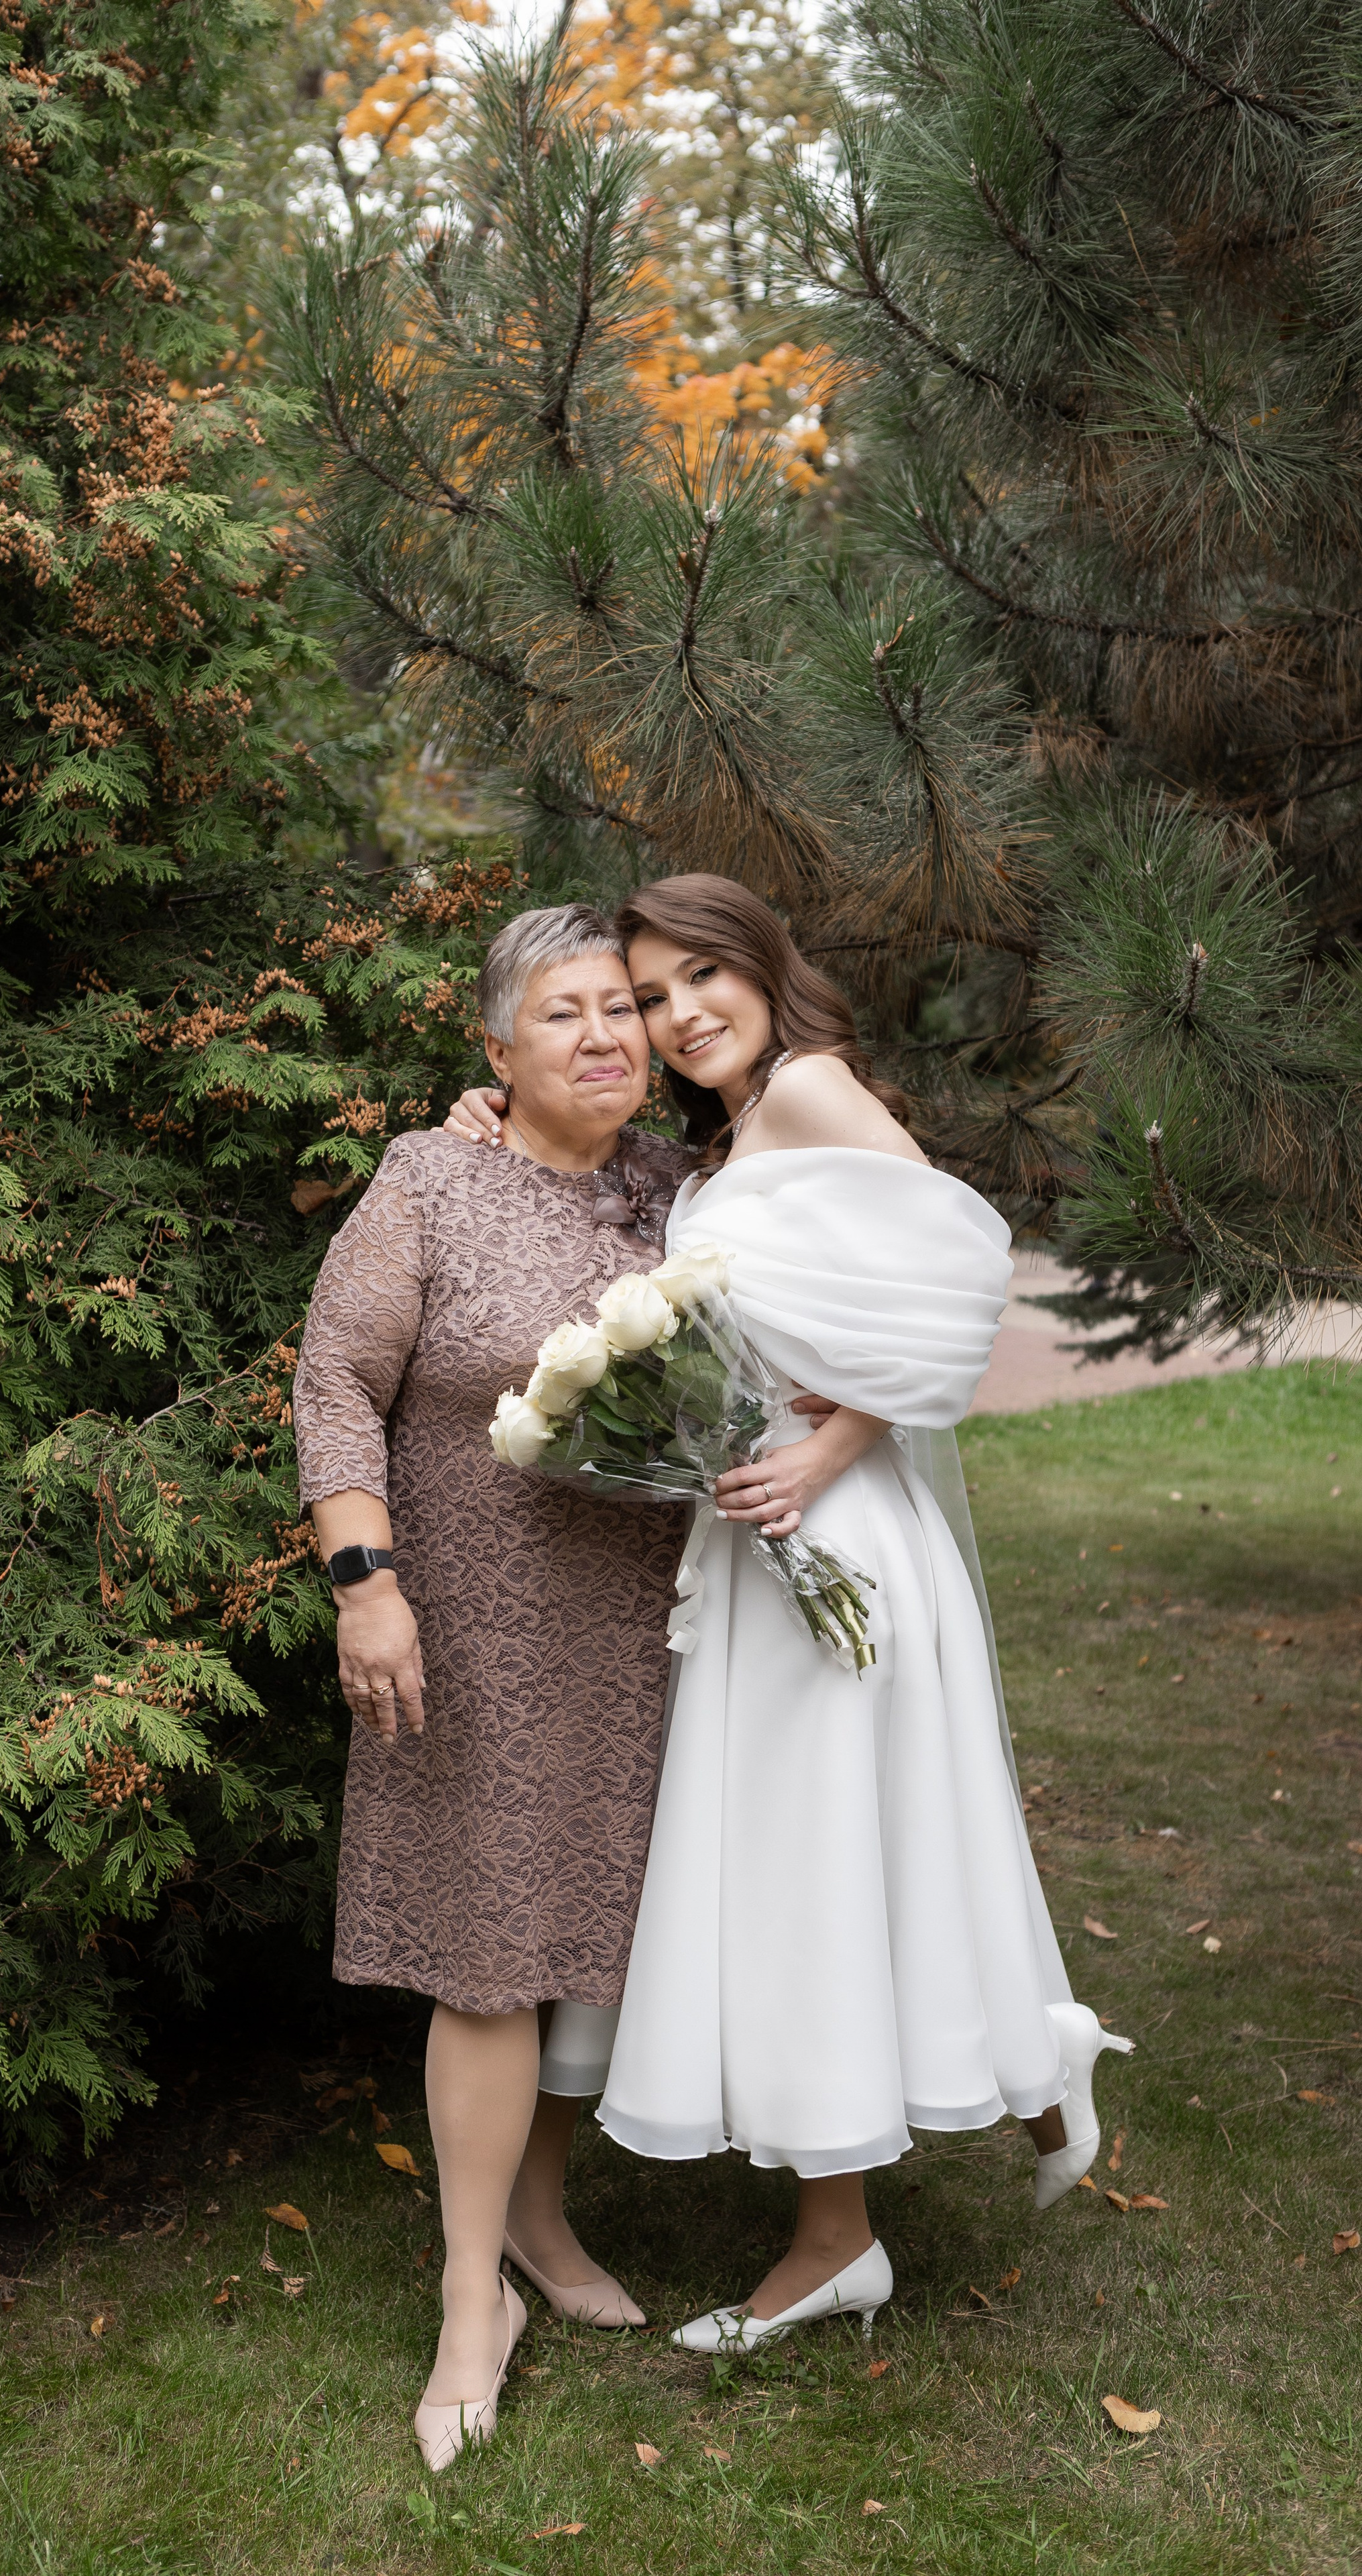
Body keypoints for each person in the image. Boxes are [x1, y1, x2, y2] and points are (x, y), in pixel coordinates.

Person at [444, 873, 1129, 2353]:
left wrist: (824, 1447)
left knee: (823, 1863)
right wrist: (476, 1125)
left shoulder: (810, 1088)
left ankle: (843, 2234)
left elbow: (964, 1274)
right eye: (646, 994)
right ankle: (1018, 2072)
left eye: (701, 979)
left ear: (763, 971)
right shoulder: (734, 1128)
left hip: (833, 1535)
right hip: (757, 1544)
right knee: (834, 1860)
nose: (675, 1013)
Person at [291, 904, 691, 2468]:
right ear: (494, 1048)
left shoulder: (687, 1193)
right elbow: (335, 1379)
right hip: (463, 1625)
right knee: (485, 1955)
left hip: (647, 1625)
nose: (601, 1037)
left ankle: (540, 2217)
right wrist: (363, 1580)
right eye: (561, 1014)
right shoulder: (430, 1175)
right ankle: (472, 2297)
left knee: (588, 1934)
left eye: (620, 1010)